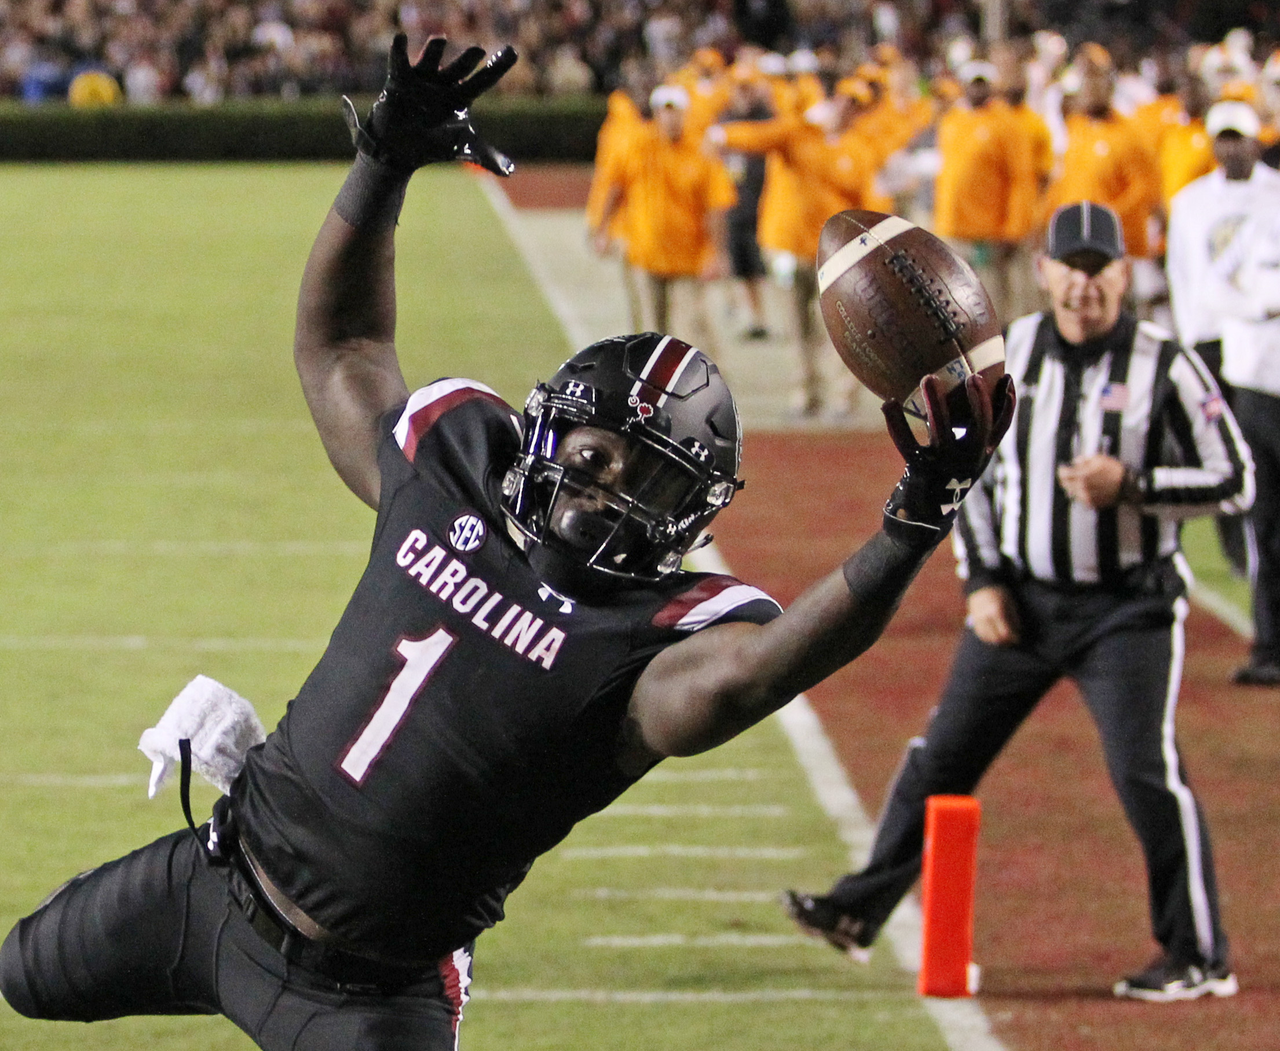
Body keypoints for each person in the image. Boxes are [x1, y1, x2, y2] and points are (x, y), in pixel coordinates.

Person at [0, 34, 1014, 1051]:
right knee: (19, 975)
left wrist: (914, 517)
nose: (603, 481)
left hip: (367, 996)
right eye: (594, 448)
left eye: (647, 472)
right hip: (210, 883)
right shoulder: (453, 470)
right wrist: (383, 162)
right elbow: (342, 346)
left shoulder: (648, 641)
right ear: (542, 429)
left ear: (691, 515)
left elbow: (760, 669)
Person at [785, 201, 1253, 1003]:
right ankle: (858, 912)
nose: (1083, 282)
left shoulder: (1164, 363)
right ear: (1042, 272)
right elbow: (979, 478)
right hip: (1022, 603)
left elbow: (1235, 476)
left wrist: (1134, 487)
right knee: (941, 757)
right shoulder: (1013, 354)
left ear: (1124, 272)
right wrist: (984, 580)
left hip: (1126, 611)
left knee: (1146, 773)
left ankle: (1197, 953)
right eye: (1068, 264)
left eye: (1099, 265)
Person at [1166, 99, 1280, 582]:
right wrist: (1187, 341)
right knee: (1221, 454)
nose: (1231, 148)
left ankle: (1255, 551)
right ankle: (1236, 547)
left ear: (1257, 140)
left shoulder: (1276, 195)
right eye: (1223, 138)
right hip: (1210, 341)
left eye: (1239, 137)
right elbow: (1183, 276)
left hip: (1258, 353)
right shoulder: (1190, 202)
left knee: (1257, 457)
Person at [1194, 134, 1280, 686]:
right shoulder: (1261, 222)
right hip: (1259, 389)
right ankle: (1270, 647)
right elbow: (1211, 286)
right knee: (1265, 524)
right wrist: (1262, 303)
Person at [591, 82, 736, 366]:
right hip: (645, 253)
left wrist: (716, 253)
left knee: (693, 327)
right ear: (656, 114)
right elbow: (615, 187)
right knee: (648, 329)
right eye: (664, 112)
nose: (670, 118)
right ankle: (650, 388)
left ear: (685, 114)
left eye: (676, 112)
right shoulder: (638, 145)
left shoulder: (701, 151)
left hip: (688, 257)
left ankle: (707, 384)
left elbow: (717, 207)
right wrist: (603, 228)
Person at [931, 59, 1039, 327]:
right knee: (956, 312)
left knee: (989, 312)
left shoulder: (1007, 124)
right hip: (954, 232)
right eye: (972, 83)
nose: (976, 90)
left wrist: (1014, 230)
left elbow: (1021, 179)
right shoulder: (953, 121)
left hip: (988, 234)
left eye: (982, 84)